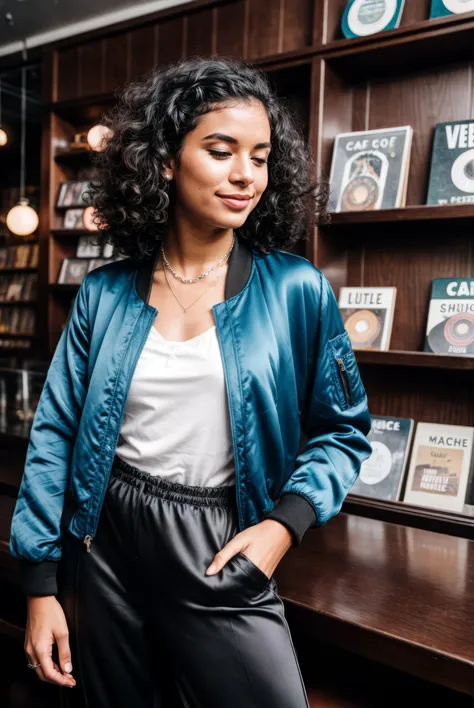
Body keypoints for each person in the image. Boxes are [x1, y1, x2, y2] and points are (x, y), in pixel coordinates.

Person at [9, 56, 372, 707]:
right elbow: (56, 433)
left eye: (259, 157)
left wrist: (282, 527)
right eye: (221, 150)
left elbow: (343, 433)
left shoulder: (296, 290)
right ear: (167, 161)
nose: (244, 175)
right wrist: (41, 586)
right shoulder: (105, 293)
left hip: (221, 537)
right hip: (104, 539)